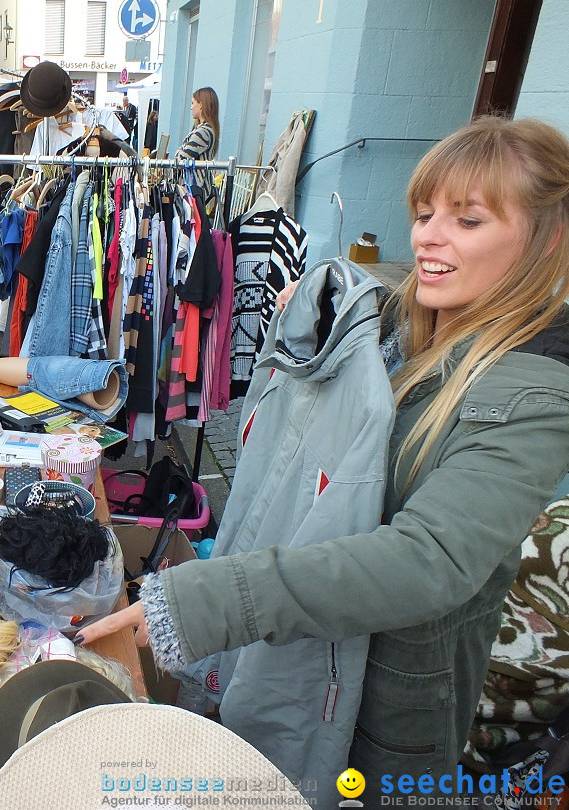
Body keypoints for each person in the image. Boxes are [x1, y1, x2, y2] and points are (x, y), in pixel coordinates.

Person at [79, 117, 569, 795]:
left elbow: (428, 562)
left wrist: (211, 602)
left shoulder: (536, 398)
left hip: (384, 717)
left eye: (468, 220)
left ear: (547, 238)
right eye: (425, 214)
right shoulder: (400, 337)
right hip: (305, 662)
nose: (428, 235)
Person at [175, 86, 218, 161]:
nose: (191, 108)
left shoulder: (203, 132)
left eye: (192, 103)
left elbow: (182, 158)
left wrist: (178, 151)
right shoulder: (206, 129)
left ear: (201, 105)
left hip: (194, 173)